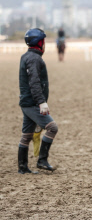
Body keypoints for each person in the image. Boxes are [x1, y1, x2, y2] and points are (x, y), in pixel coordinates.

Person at [18, 28, 58, 174]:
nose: (45, 44)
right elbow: (34, 82)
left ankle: (22, 168)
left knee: (27, 135)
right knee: (52, 127)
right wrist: (41, 102)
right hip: (32, 103)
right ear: (39, 42)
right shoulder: (35, 59)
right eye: (44, 41)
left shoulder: (26, 56)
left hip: (26, 102)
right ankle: (42, 160)